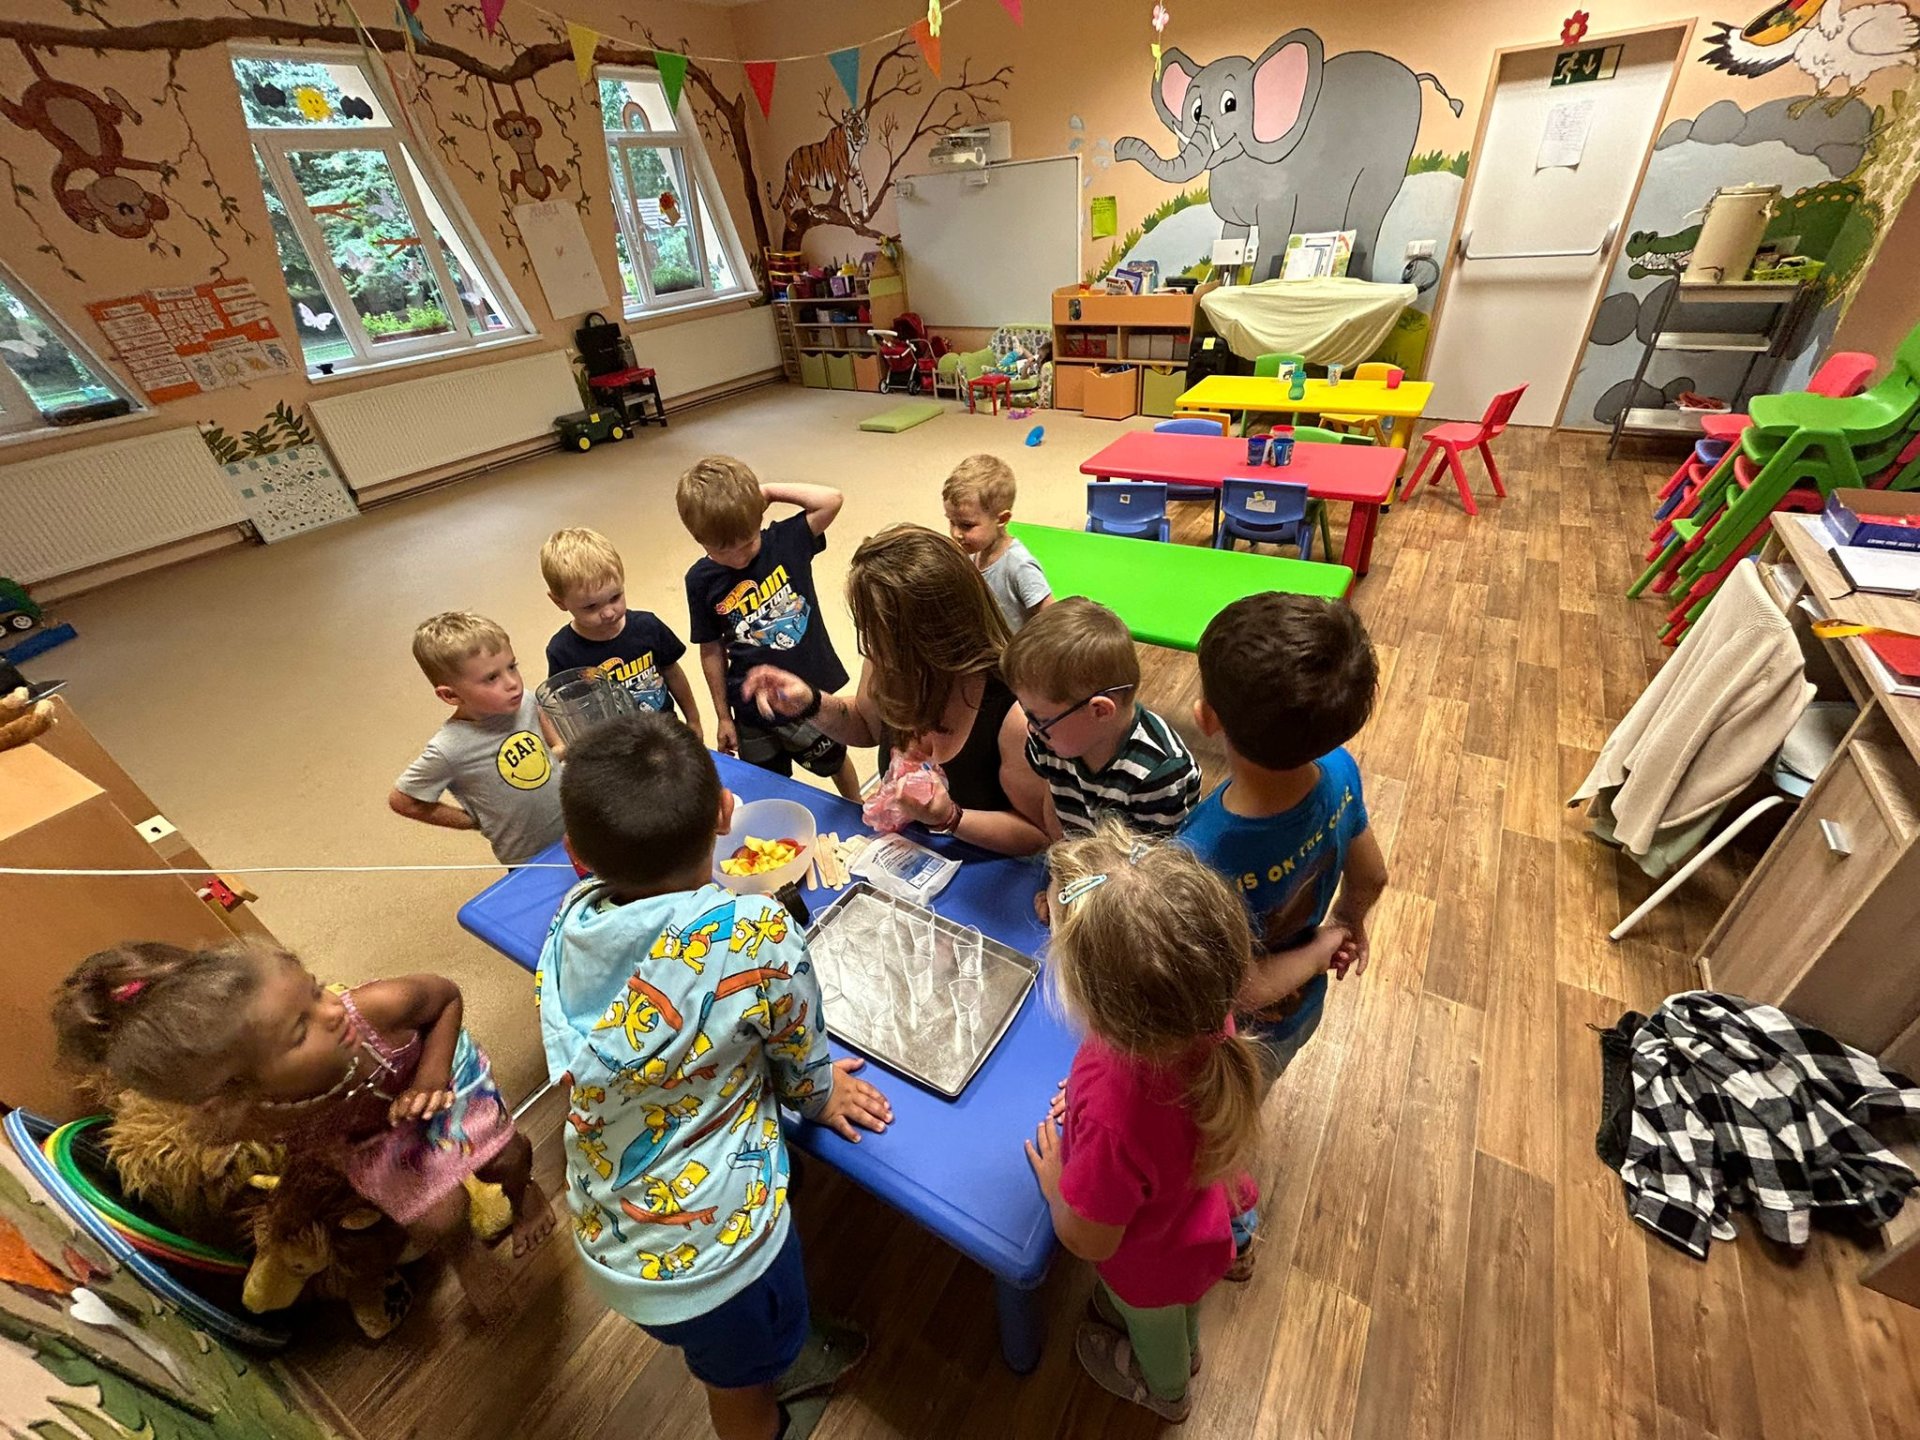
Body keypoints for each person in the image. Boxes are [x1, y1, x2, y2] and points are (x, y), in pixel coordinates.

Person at [541, 713, 890, 1440]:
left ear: (574, 852)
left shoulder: (568, 923)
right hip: (718, 1261)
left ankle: (761, 1358)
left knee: (723, 1352)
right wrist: (822, 1093)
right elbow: (798, 1047)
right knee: (739, 1389)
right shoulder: (755, 929)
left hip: (607, 1233)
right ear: (727, 815)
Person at [52, 941, 554, 1261]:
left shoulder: (374, 1010)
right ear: (237, 1088)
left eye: (313, 991)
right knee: (436, 1220)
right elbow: (292, 1148)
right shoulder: (245, 1115)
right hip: (366, 1137)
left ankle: (524, 1196)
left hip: (433, 1081)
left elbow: (445, 996)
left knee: (507, 1157)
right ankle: (464, 1258)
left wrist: (430, 1076)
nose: (331, 1011)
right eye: (299, 1031)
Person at [1024, 823, 1263, 1422]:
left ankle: (1168, 1392)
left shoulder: (1114, 1115)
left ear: (1095, 1002)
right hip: (1199, 1229)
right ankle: (1187, 1346)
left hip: (1153, 1268)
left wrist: (1057, 1189)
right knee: (1182, 1309)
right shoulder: (1203, 1015)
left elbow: (1090, 1239)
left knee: (1158, 1329)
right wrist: (1091, 1091)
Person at [1179, 592, 1389, 1276]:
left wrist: (1326, 945)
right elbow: (1373, 874)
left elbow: (1237, 989)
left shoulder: (1203, 849)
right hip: (1300, 1013)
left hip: (1237, 1038)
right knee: (1247, 1109)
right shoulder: (1340, 770)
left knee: (1219, 1135)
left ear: (1207, 718)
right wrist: (1348, 924)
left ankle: (1233, 1236)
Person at [741, 524, 1051, 857]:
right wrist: (811, 704)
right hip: (910, 858)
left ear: (930, 637)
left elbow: (1038, 835)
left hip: (988, 866)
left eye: (881, 631)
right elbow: (866, 724)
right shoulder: (888, 663)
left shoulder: (1013, 710)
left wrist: (950, 817)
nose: (871, 645)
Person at [678, 457, 860, 803]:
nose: (738, 558)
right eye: (722, 550)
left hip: (805, 689)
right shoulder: (700, 580)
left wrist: (768, 492)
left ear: (758, 519)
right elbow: (711, 649)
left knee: (834, 760)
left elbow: (831, 499)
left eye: (748, 542)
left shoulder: (785, 540)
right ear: (699, 539)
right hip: (751, 705)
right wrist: (723, 716)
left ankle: (858, 806)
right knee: (767, 782)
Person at [1001, 598, 1201, 839]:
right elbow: (1052, 803)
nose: (1032, 729)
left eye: (1040, 720)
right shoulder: (1050, 740)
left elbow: (1156, 859)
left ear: (1100, 711)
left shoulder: (1160, 774)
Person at [389, 611, 563, 866]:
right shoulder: (448, 748)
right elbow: (403, 800)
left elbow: (537, 711)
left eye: (512, 667)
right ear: (450, 695)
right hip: (527, 856)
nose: (512, 683)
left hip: (575, 825)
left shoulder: (523, 700)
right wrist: (471, 820)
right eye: (492, 678)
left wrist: (557, 747)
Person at [541, 526, 702, 737]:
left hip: (665, 734)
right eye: (591, 607)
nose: (608, 613)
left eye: (615, 597)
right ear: (559, 602)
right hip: (614, 745)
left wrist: (693, 719)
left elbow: (672, 672)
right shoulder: (562, 652)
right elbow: (571, 711)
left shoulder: (647, 626)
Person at [941, 454, 1051, 633]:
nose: (956, 533)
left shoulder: (1019, 565)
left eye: (967, 525)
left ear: (1002, 519)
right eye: (952, 522)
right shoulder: (974, 551)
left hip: (1012, 648)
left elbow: (1052, 617)